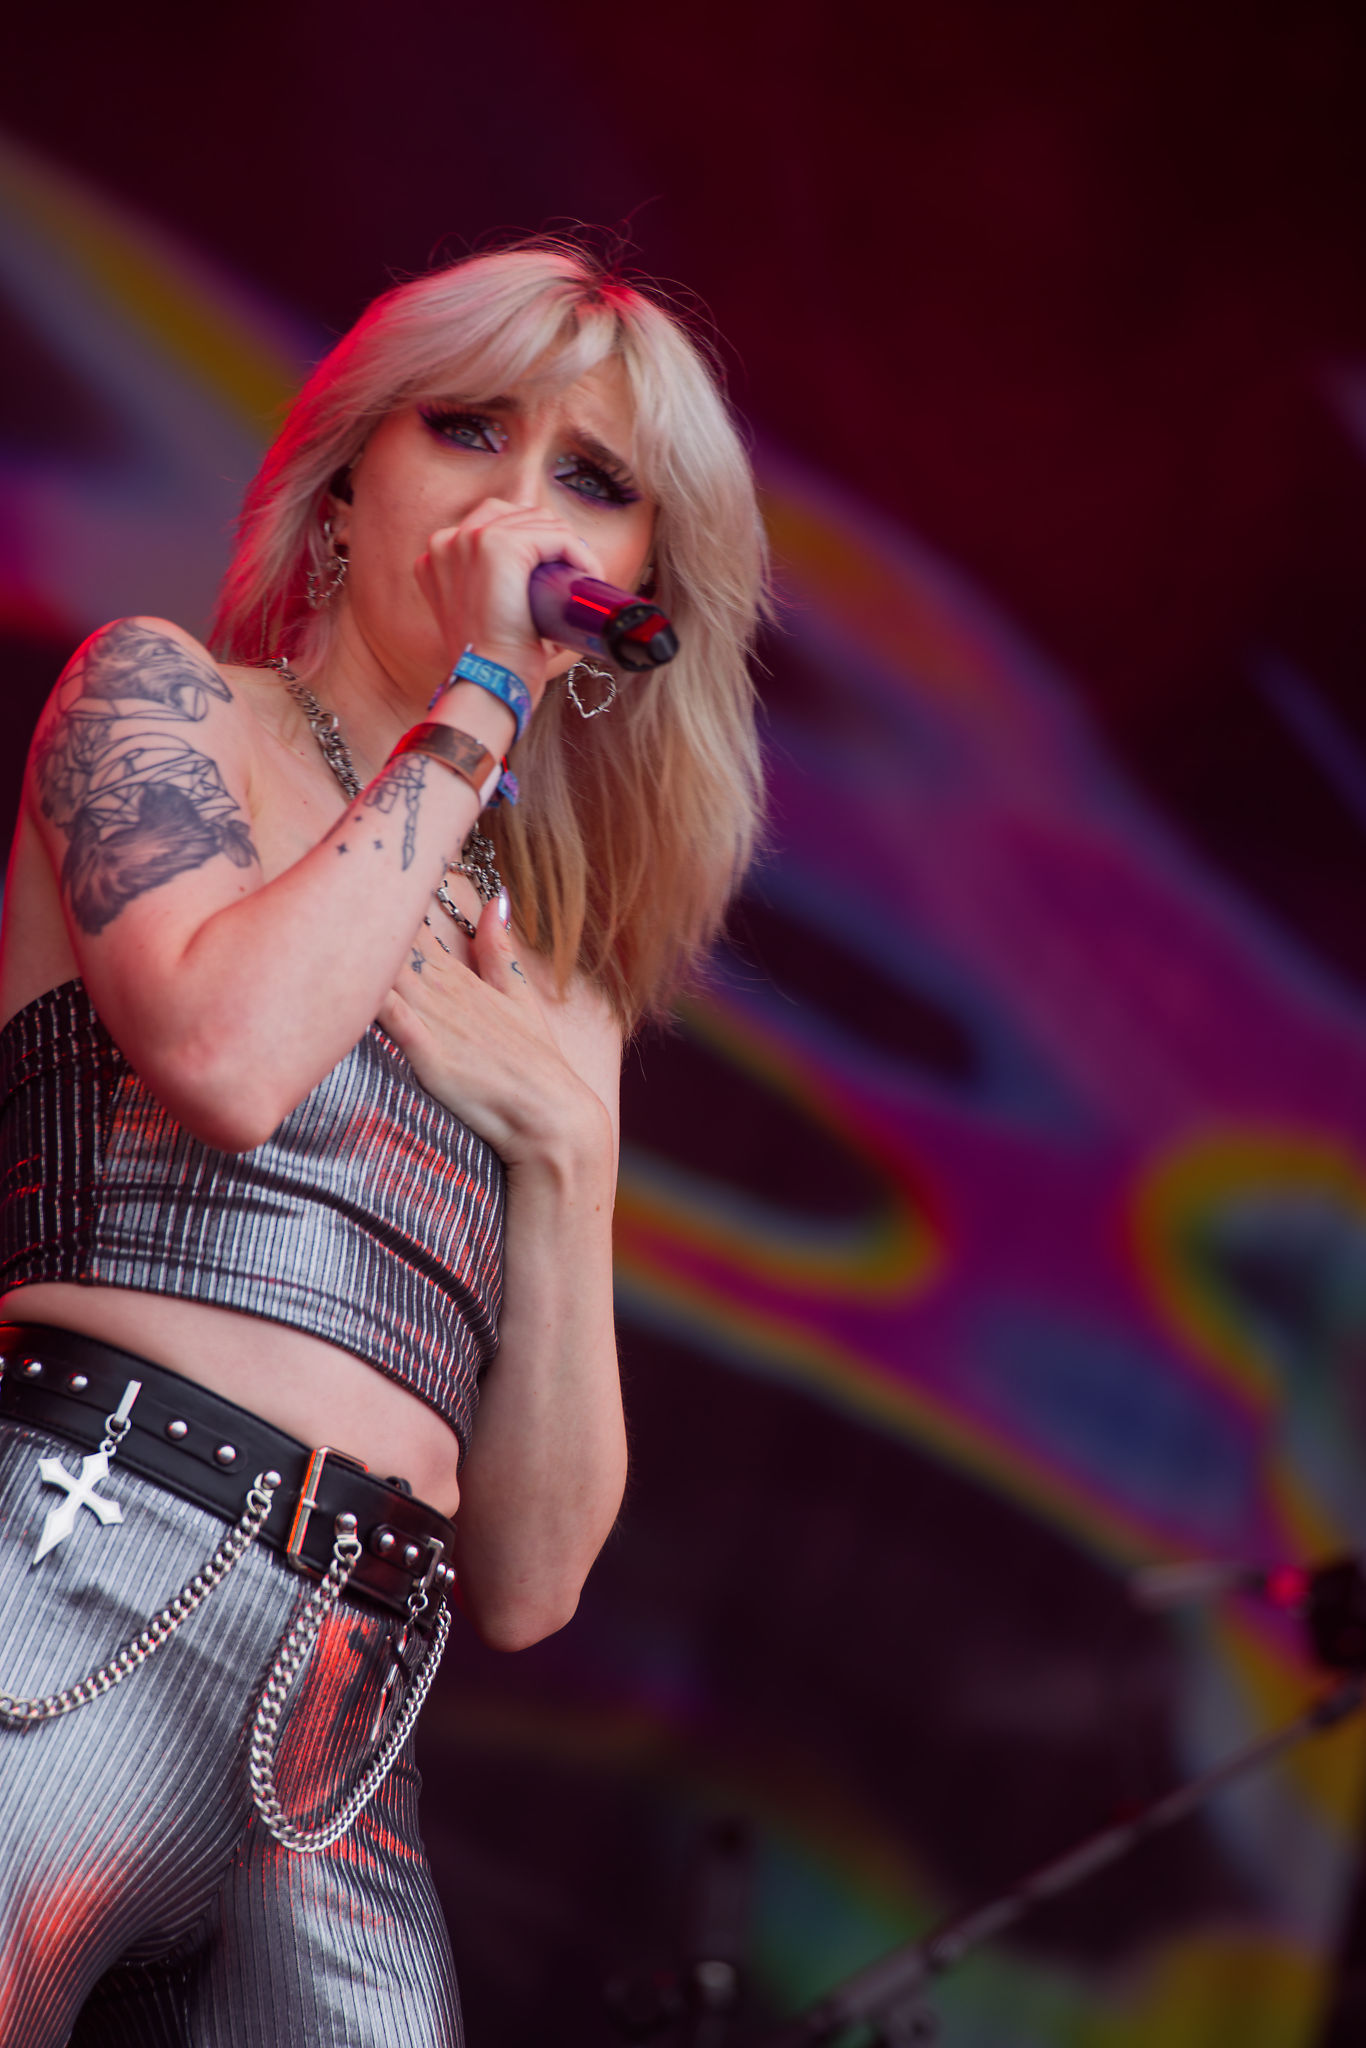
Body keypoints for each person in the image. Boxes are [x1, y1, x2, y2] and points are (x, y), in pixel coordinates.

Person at [0, 241, 765, 2048]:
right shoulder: (160, 705)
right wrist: (478, 700)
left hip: (349, 1732)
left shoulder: (555, 971)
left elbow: (532, 1581)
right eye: (470, 430)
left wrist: (566, 1158)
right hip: (68, 1571)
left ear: (635, 583)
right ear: (345, 480)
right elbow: (230, 1055)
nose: (518, 505)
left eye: (590, 477)